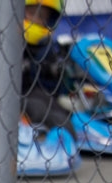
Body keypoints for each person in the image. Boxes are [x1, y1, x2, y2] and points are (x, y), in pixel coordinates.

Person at [20, 0, 74, 131]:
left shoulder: (49, 48)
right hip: (19, 100)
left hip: (47, 100)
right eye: (32, 13)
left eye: (42, 16)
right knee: (38, 102)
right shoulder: (8, 44)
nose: (36, 20)